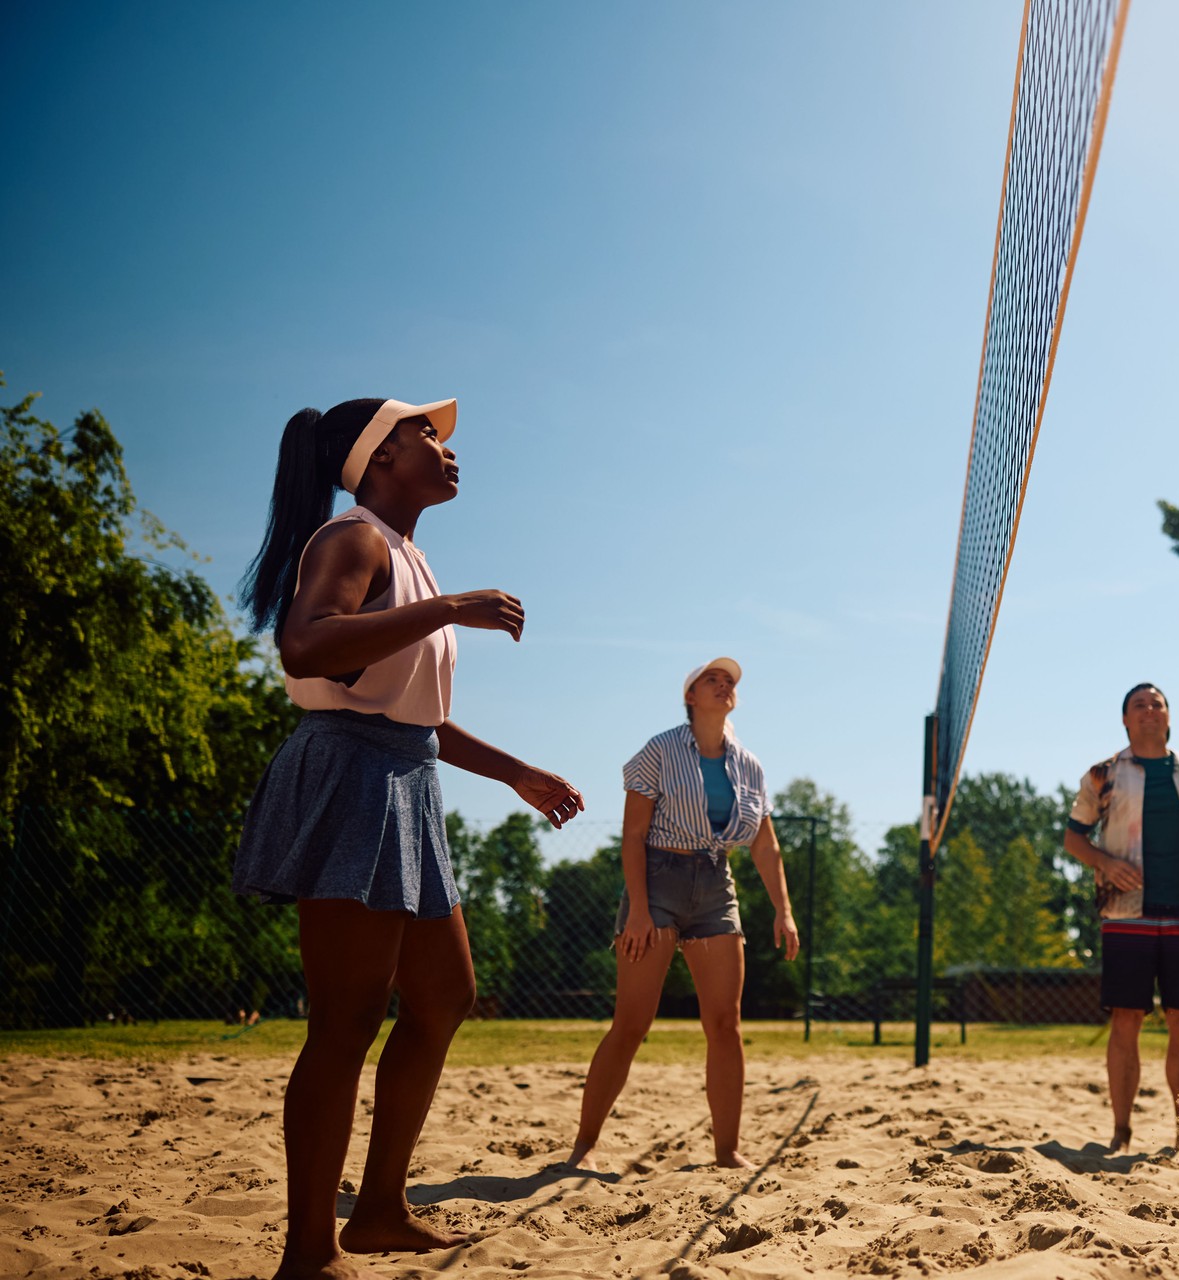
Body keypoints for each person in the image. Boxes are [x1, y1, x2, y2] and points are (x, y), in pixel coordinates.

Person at [231, 396, 584, 1280]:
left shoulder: (411, 558)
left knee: (443, 997)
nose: (446, 445)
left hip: (402, 776)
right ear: (378, 456)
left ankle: (379, 1209)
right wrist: (452, 608)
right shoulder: (350, 540)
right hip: (352, 779)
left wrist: (516, 773)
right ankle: (308, 1251)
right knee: (345, 1023)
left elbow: (416, 718)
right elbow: (305, 647)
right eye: (425, 432)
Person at [567, 657, 800, 1171]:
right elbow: (632, 837)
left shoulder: (750, 765)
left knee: (726, 1023)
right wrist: (639, 912)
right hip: (658, 880)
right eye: (711, 679)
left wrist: (783, 911)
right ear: (690, 696)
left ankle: (727, 1152)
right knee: (631, 1023)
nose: (724, 685)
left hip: (717, 883)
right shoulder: (659, 750)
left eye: (730, 681)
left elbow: (766, 847)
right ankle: (584, 1146)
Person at [1064, 683, 1179, 1154]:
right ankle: (1121, 1131)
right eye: (1139, 705)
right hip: (1125, 916)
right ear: (1125, 719)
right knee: (1127, 1019)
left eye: (1157, 703)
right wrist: (1104, 862)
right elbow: (1074, 838)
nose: (1149, 711)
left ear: (1168, 716)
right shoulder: (1104, 774)